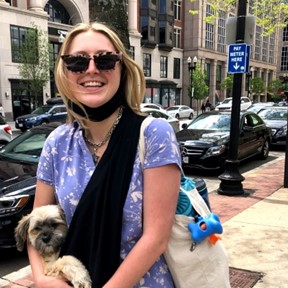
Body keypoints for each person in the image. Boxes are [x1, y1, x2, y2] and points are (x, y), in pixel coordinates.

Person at [27, 22, 181, 288]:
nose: (91, 69)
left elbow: (156, 238)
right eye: (76, 61)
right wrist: (42, 279)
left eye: (106, 59)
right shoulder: (57, 143)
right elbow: (35, 226)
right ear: (65, 72)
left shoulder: (155, 134)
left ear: (122, 68)